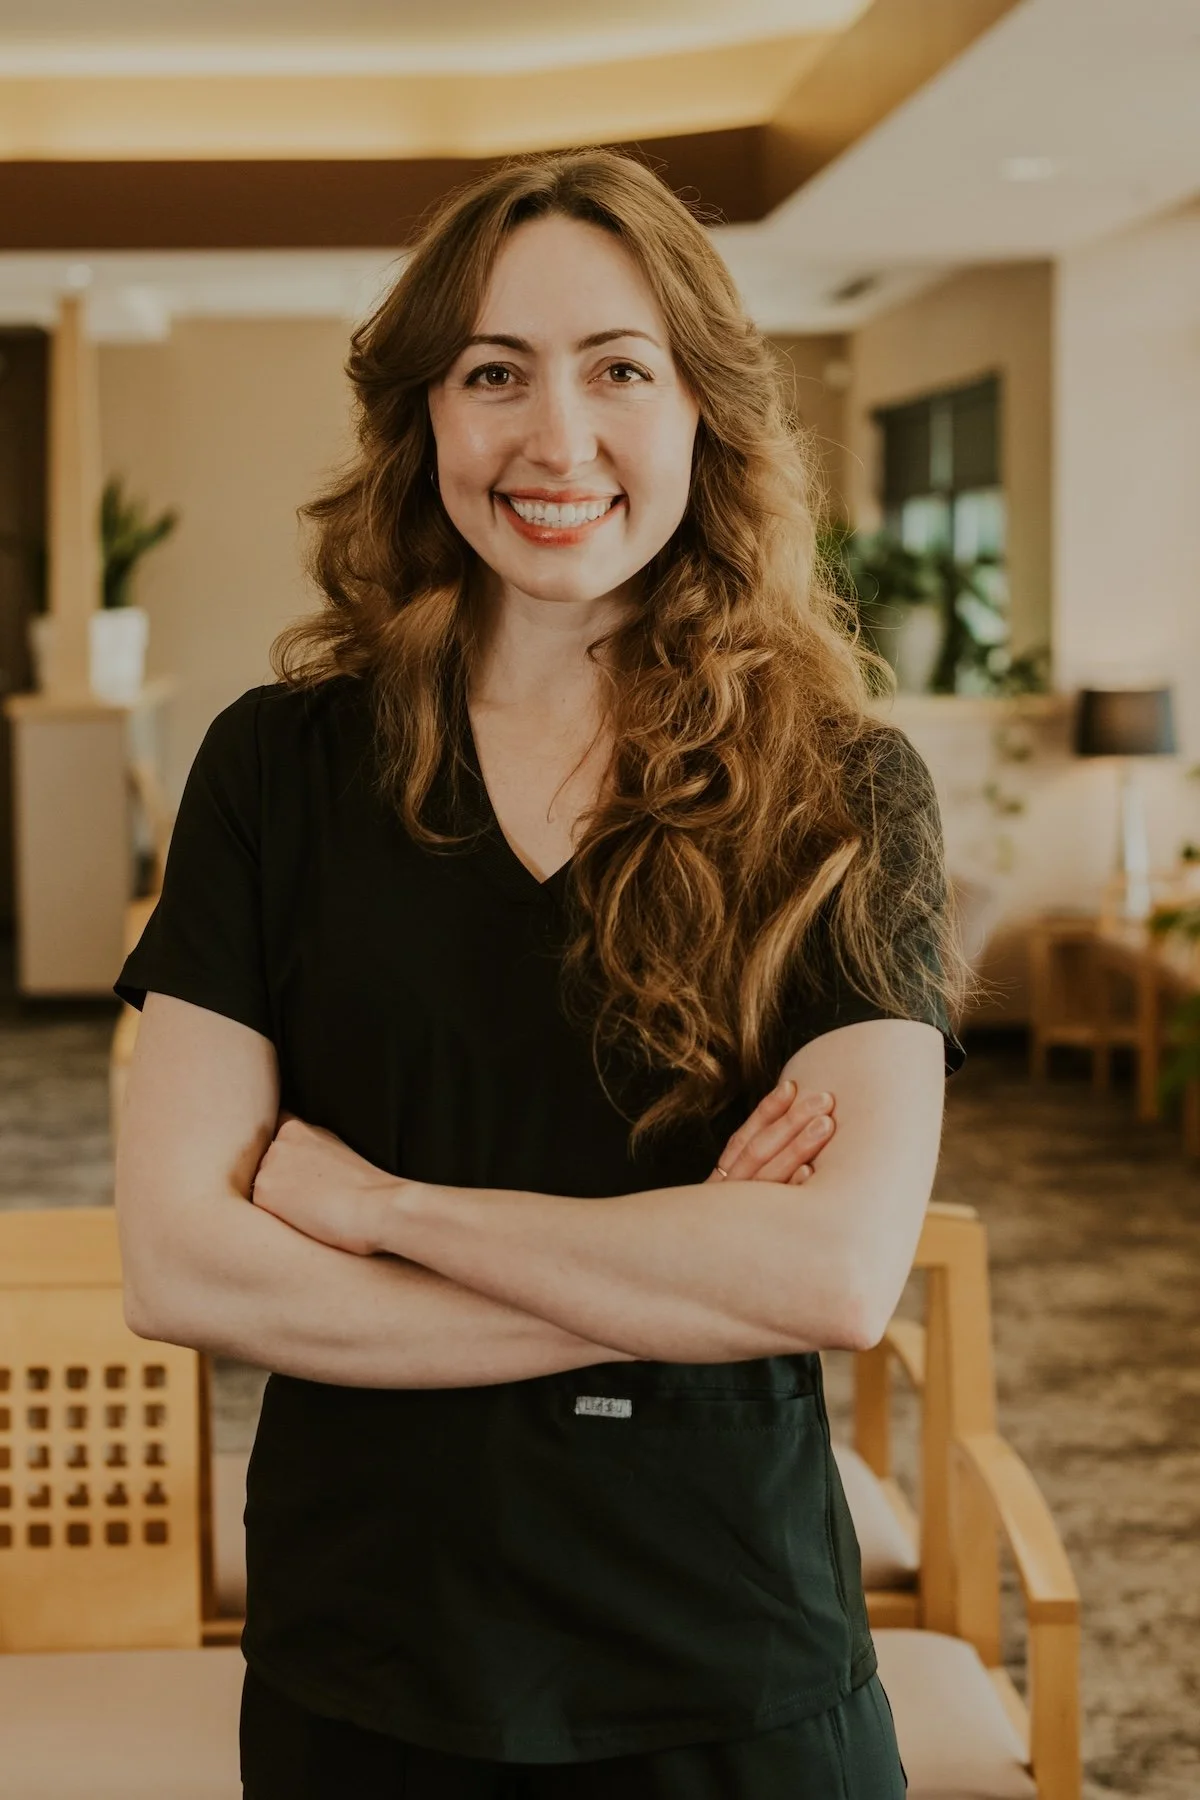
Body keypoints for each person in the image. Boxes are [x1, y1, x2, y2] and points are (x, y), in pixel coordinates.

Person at [114, 147, 968, 1799]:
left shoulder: (843, 789)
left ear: (703, 410)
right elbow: (184, 1269)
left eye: (619, 370)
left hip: (727, 1661)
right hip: (372, 1656)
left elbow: (831, 1279)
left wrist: (380, 1210)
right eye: (493, 373)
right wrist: (671, 1280)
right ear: (423, 417)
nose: (554, 439)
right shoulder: (275, 770)